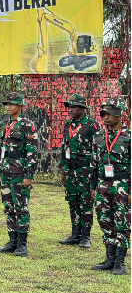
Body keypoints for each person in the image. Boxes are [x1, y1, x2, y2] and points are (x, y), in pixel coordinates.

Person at [0, 92, 38, 257]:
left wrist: (29, 174)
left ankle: (22, 244)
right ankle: (12, 241)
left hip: (20, 171)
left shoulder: (27, 125)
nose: (8, 106)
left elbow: (32, 150)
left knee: (20, 206)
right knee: (8, 206)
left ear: (20, 106)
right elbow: (0, 150)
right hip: (5, 171)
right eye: (7, 103)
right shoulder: (3, 124)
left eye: (12, 104)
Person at [57, 93, 102, 248]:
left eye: (74, 106)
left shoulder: (92, 125)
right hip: (70, 170)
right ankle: (75, 234)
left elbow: (98, 150)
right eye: (69, 106)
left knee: (86, 203)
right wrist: (63, 170)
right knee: (73, 202)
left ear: (83, 108)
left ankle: (86, 236)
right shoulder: (68, 125)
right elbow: (64, 148)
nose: (70, 109)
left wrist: (95, 173)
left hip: (85, 171)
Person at [91, 99, 128, 275]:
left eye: (109, 114)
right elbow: (94, 163)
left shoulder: (128, 136)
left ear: (120, 114)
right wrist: (93, 187)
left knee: (122, 222)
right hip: (103, 184)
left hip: (123, 184)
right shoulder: (98, 136)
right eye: (103, 114)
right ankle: (110, 259)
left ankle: (120, 262)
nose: (105, 117)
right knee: (105, 220)